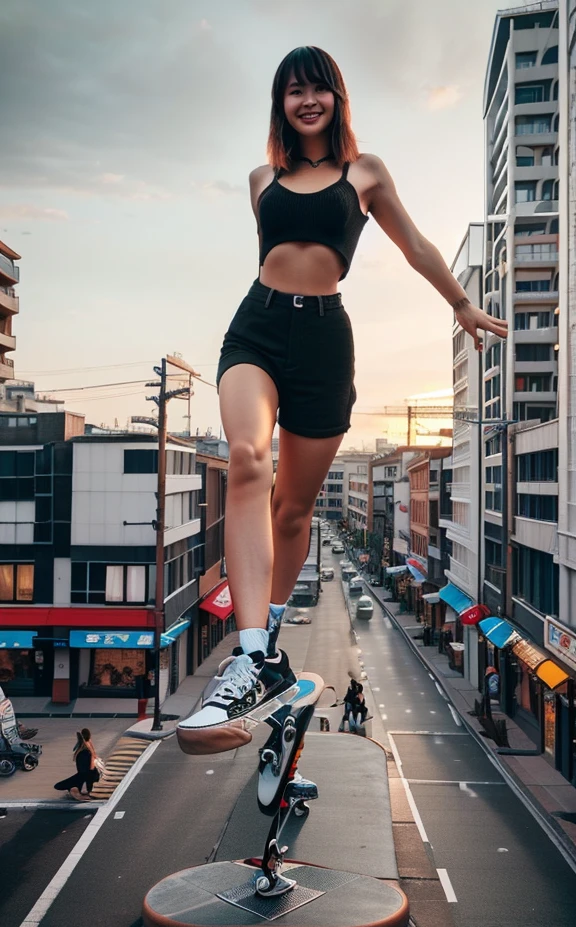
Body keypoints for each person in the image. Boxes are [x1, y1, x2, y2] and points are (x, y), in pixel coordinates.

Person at [178, 45, 507, 751]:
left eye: (317, 89)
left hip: (326, 344)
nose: (307, 101)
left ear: (335, 98)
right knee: (245, 460)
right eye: (293, 91)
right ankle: (252, 652)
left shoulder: (365, 173)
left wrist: (461, 304)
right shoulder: (261, 177)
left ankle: (260, 648)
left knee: (292, 508)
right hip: (256, 329)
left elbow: (414, 243)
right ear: (281, 103)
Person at [54, 728, 100, 802]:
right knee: (92, 776)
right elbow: (91, 761)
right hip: (86, 772)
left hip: (84, 771)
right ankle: (76, 788)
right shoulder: (85, 750)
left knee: (88, 777)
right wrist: (92, 767)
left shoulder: (84, 747)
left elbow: (92, 755)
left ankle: (77, 788)